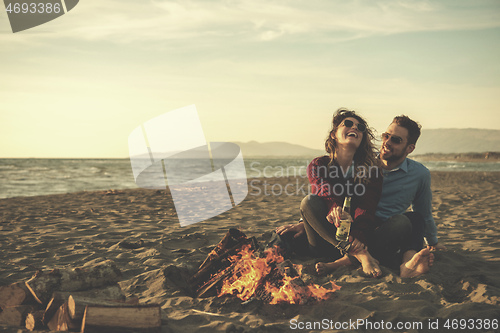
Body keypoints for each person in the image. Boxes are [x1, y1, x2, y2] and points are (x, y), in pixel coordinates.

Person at [317, 115, 445, 278]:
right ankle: (348, 260)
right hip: (350, 230)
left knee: (412, 219)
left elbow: (424, 212)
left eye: (396, 140)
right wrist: (304, 221)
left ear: (410, 148)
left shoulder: (420, 174)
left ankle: (408, 264)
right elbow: (330, 192)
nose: (387, 142)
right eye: (386, 136)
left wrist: (433, 242)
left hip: (384, 235)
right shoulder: (362, 162)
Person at [276, 108, 384, 278]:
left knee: (397, 225)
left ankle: (351, 254)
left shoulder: (372, 171)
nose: (355, 128)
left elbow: (367, 207)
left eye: (360, 127)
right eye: (348, 124)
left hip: (354, 237)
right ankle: (359, 255)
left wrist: (356, 237)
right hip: (323, 240)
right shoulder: (318, 165)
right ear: (334, 134)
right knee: (308, 202)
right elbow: (324, 191)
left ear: (362, 138)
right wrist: (334, 208)